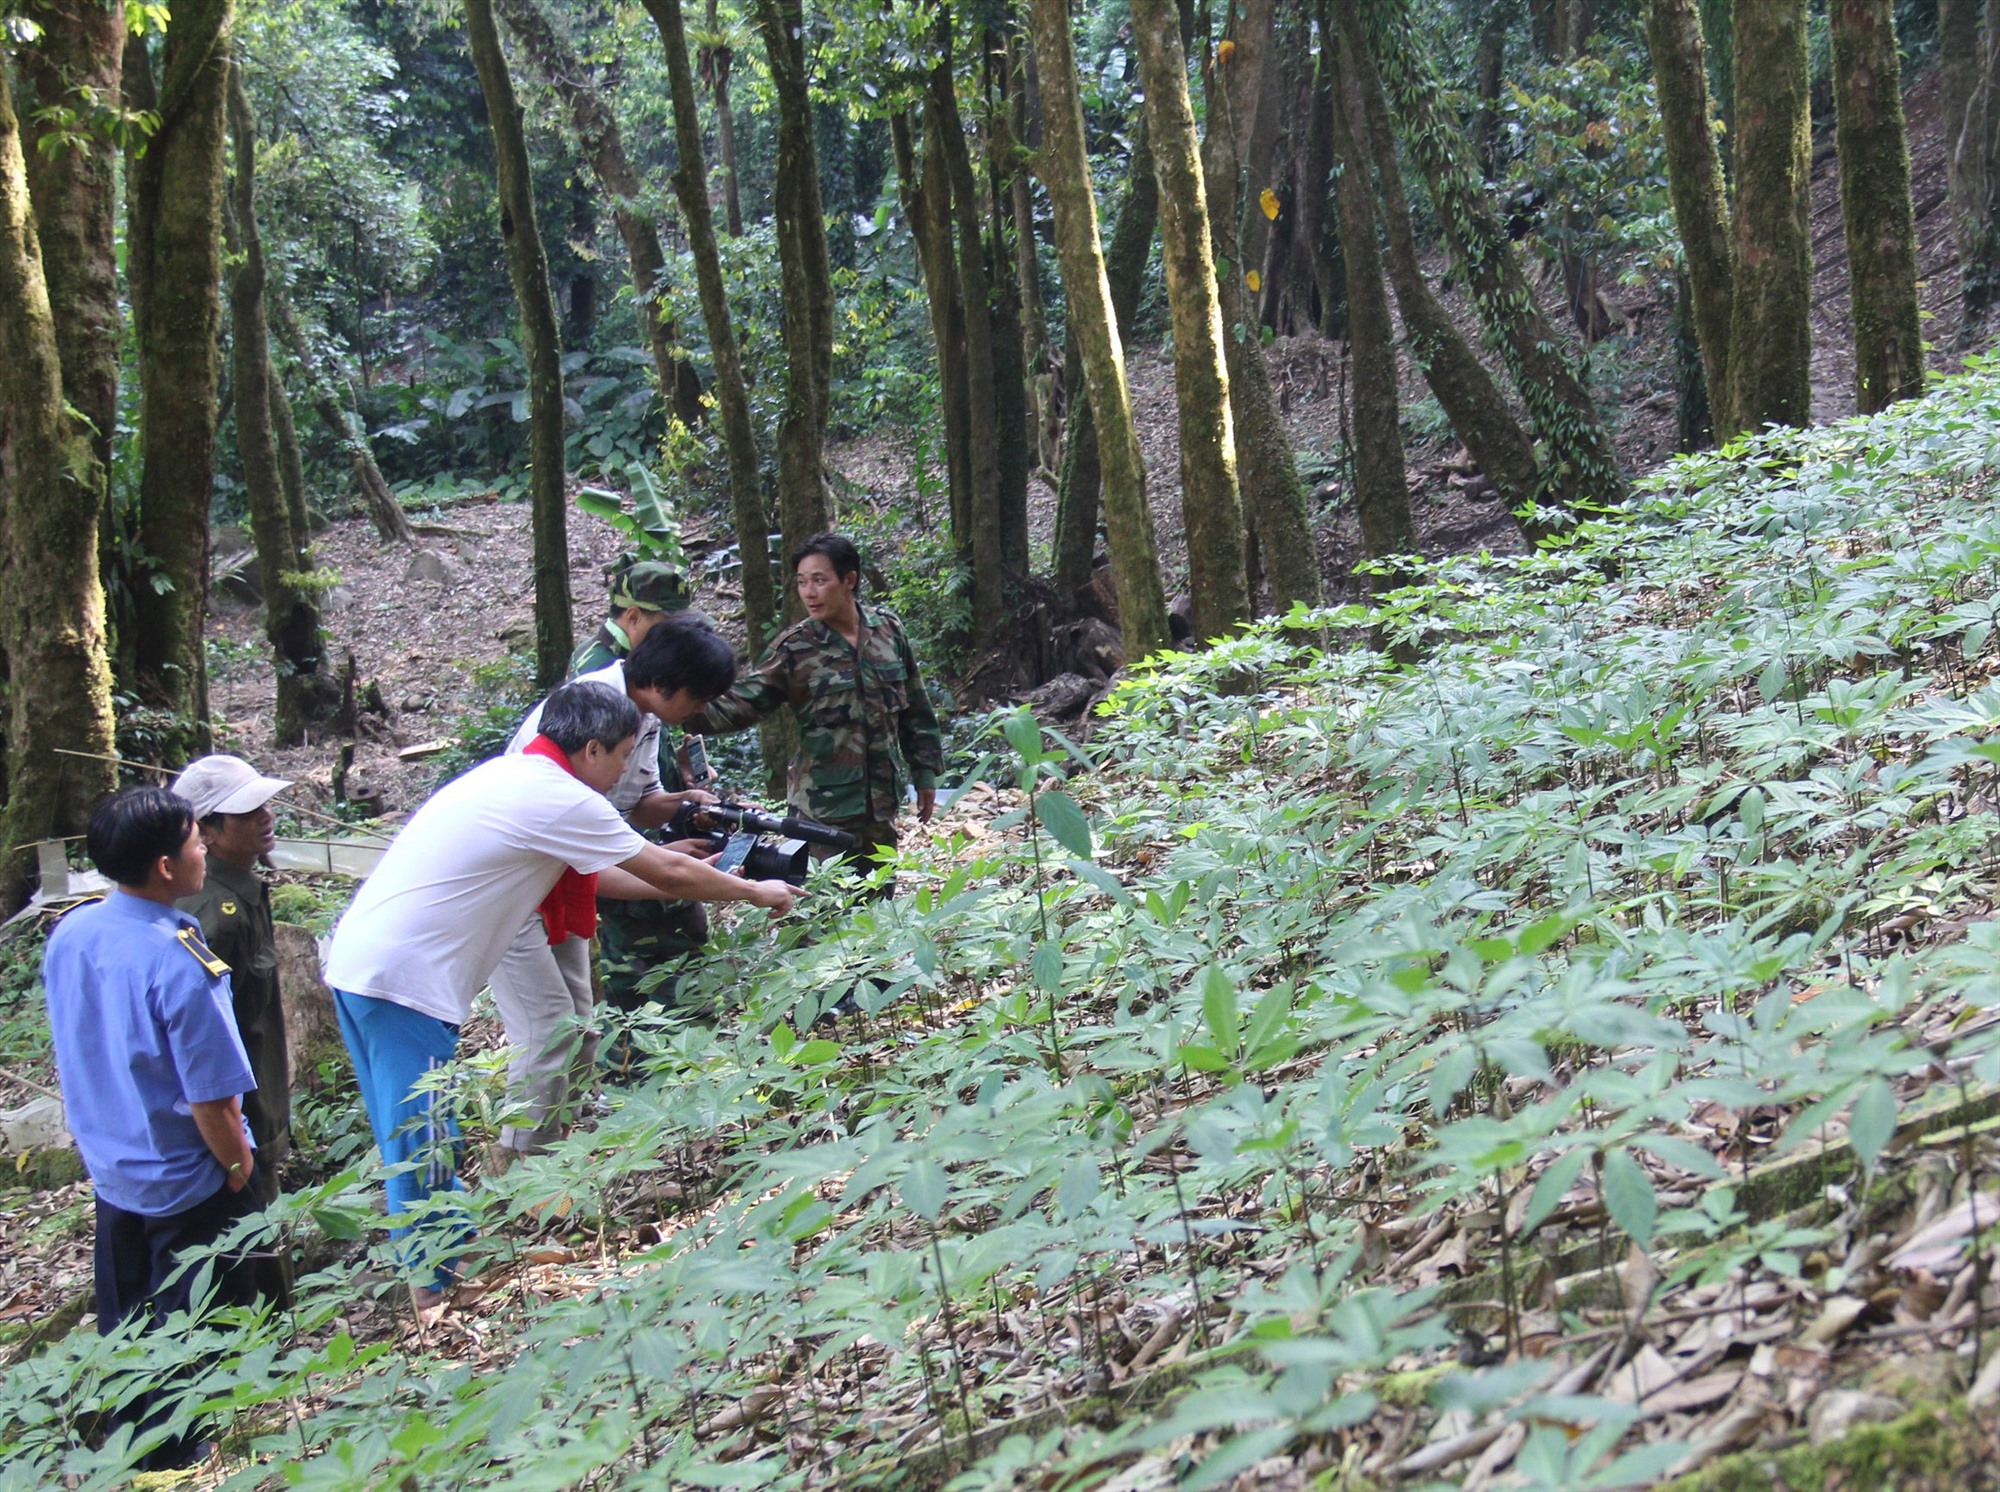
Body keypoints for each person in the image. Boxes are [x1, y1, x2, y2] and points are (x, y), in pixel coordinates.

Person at [322, 681, 796, 1310]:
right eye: (625, 753)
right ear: (592, 749)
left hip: (366, 964)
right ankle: (433, 1297)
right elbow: (669, 868)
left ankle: (446, 1265)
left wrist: (709, 881)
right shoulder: (558, 794)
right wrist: (758, 892)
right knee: (422, 1134)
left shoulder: (516, 776)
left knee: (414, 1129)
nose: (629, 768)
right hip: (403, 982)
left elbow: (603, 875)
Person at [45, 786, 261, 1472]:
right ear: (167, 865)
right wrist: (236, 1167)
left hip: (113, 1171)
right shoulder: (177, 959)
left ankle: (137, 1451)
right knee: (193, 1327)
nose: (204, 850)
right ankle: (181, 1459)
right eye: (197, 840)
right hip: (185, 1180)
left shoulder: (73, 932)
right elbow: (213, 1098)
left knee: (127, 1324)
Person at [486, 617, 733, 1155]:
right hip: (522, 884)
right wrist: (715, 881)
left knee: (578, 1020)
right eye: (699, 697)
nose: (700, 711)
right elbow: (589, 831)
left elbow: (631, 804)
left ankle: (564, 1147)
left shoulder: (643, 716)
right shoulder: (591, 712)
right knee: (547, 1030)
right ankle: (517, 1164)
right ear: (666, 686)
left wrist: (685, 804)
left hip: (565, 878)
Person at [691, 533, 945, 880]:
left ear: (849, 580)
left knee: (880, 914)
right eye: (801, 582)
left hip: (880, 811)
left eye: (819, 580)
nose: (809, 592)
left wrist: (924, 772)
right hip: (820, 816)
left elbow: (915, 706)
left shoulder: (888, 631)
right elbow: (741, 704)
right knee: (821, 916)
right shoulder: (795, 649)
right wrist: (676, 706)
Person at [171, 755, 294, 1210]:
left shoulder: (241, 891)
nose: (266, 817)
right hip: (237, 1124)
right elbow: (205, 1042)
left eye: (265, 804)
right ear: (207, 830)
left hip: (258, 1109)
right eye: (247, 811)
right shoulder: (214, 918)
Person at [570, 556, 693, 676]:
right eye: (668, 626)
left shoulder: (618, 653)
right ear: (633, 617)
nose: (678, 634)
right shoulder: (602, 673)